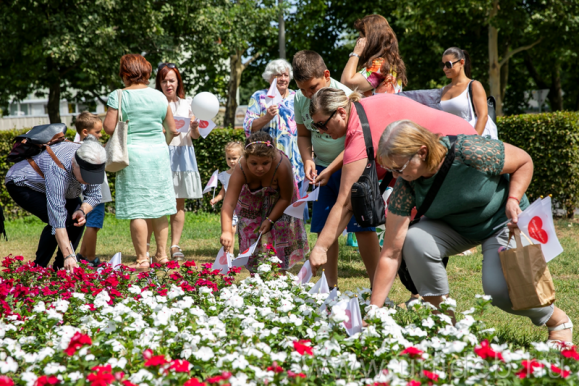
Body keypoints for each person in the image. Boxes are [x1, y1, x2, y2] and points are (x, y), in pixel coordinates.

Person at [368, 119, 572, 347]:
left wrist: (513, 198)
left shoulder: (469, 151)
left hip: (501, 222)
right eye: (390, 170)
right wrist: (373, 312)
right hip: (455, 228)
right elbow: (390, 253)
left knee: (499, 292)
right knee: (414, 240)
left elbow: (524, 161)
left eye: (399, 168)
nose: (395, 176)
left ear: (422, 152)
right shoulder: (407, 184)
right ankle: (446, 327)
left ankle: (558, 321)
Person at [305, 89, 477, 288]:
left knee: (413, 242)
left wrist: (320, 248)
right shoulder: (366, 108)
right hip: (462, 139)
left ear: (341, 113)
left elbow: (345, 205)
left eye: (321, 124)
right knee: (411, 240)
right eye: (314, 126)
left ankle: (421, 298)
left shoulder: (359, 134)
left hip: (455, 159)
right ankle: (417, 297)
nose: (320, 131)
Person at [293, 50, 380, 289]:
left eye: (312, 87)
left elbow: (357, 141)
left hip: (351, 165)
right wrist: (308, 161)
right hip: (322, 169)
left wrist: (331, 168)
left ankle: (377, 286)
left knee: (363, 226)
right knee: (323, 227)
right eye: (302, 89)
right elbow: (303, 134)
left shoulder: (347, 96)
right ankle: (329, 287)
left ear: (327, 75)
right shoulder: (300, 98)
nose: (308, 94)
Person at [103, 54, 178, 270]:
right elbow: (172, 129)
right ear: (145, 72)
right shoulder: (159, 96)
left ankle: (142, 259)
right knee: (160, 206)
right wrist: (161, 142)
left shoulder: (118, 95)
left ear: (125, 73)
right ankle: (162, 256)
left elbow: (109, 128)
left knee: (138, 208)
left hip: (132, 155)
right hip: (158, 154)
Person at [5, 136, 106, 271]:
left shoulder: (94, 159)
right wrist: (68, 254)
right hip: (23, 183)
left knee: (77, 219)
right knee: (59, 220)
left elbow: (94, 195)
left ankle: (61, 269)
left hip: (64, 188)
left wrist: (82, 210)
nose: (89, 181)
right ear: (74, 163)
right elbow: (57, 218)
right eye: (86, 176)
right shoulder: (58, 168)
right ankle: (38, 269)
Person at [219, 132, 309, 271]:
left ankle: (279, 277)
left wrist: (270, 219)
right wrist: (226, 231)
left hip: (280, 201)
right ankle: (255, 279)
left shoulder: (281, 166)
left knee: (280, 235)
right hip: (251, 202)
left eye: (265, 163)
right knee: (250, 235)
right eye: (253, 163)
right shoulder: (241, 168)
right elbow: (229, 203)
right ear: (245, 158)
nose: (259, 168)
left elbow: (285, 198)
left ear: (272, 158)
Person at [148, 62, 203, 260]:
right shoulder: (155, 103)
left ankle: (174, 246)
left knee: (179, 203)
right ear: (159, 83)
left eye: (172, 80)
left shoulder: (188, 104)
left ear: (178, 82)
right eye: (164, 81)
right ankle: (155, 248)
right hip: (161, 154)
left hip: (183, 155)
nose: (168, 84)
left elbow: (195, 136)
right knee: (158, 203)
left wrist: (195, 126)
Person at [243, 59, 305, 190]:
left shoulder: (297, 97)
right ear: (269, 77)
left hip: (295, 162)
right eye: (278, 75)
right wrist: (267, 117)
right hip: (266, 161)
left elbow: (306, 128)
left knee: (297, 206)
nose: (283, 79)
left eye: (286, 75)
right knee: (270, 204)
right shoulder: (259, 97)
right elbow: (248, 127)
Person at [74, 112, 112, 267]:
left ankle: (82, 254)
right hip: (96, 196)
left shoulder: (79, 148)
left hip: (85, 196)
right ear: (85, 132)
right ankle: (90, 257)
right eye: (97, 132)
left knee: (90, 223)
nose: (100, 134)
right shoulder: (91, 148)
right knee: (93, 225)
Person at [341, 14, 406, 96]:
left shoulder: (380, 64)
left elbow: (346, 83)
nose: (358, 41)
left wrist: (355, 53)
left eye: (361, 37)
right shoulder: (390, 64)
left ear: (372, 40)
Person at [440, 47, 498, 139]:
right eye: (442, 65)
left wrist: (473, 141)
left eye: (448, 64)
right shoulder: (442, 90)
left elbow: (483, 116)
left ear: (461, 63)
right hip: (447, 142)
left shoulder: (474, 86)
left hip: (468, 142)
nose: (444, 68)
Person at [211, 141, 244, 242]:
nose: (231, 161)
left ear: (241, 157)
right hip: (231, 208)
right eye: (228, 158)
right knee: (231, 230)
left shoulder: (244, 173)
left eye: (234, 158)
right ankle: (230, 254)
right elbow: (223, 190)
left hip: (243, 207)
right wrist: (216, 198)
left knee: (244, 231)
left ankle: (242, 253)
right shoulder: (224, 175)